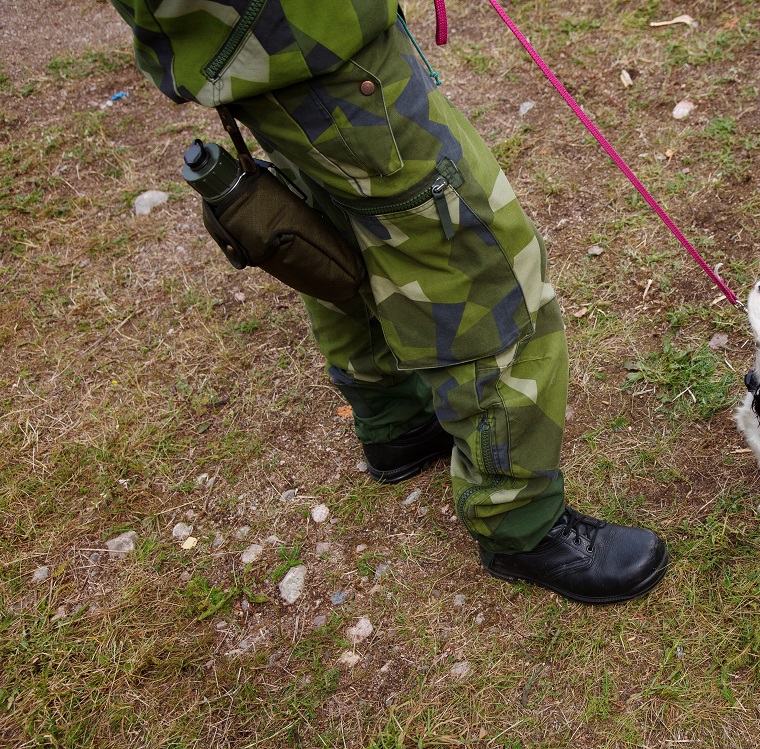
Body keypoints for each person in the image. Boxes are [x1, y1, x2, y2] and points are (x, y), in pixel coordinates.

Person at [109, 0, 669, 603]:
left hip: (246, 47)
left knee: (339, 227)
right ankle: (516, 519)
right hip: (302, 30)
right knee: (472, 260)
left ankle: (397, 423)